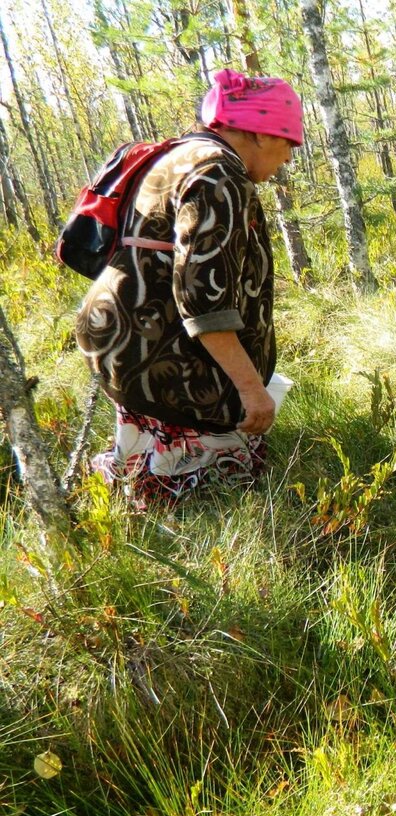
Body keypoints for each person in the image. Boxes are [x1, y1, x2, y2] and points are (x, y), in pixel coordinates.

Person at [76, 69, 302, 504]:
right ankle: (185, 539)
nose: (289, 158)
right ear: (257, 133)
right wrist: (252, 390)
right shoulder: (220, 174)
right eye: (288, 141)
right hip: (164, 357)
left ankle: (132, 515)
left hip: (125, 339)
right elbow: (203, 299)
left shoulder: (177, 154)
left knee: (144, 460)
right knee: (214, 490)